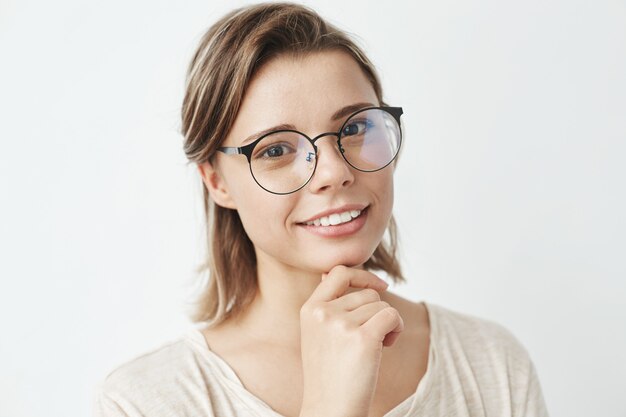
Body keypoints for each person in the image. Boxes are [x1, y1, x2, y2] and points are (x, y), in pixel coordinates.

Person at [94, 3, 549, 416]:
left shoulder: (491, 364)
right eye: (276, 151)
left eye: (354, 127)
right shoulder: (145, 403)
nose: (333, 172)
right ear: (216, 181)